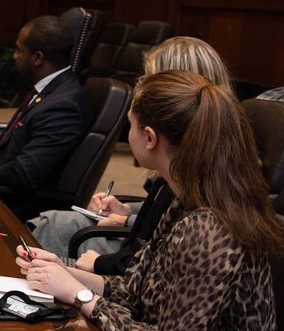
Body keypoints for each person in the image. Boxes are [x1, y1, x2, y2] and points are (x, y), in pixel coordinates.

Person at [20, 70, 281, 331]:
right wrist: (63, 271)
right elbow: (138, 292)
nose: (127, 133)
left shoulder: (209, 227)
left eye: (130, 125)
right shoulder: (184, 197)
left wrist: (78, 296)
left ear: (150, 138)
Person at [28, 37, 233, 271]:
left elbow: (160, 252)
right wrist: (127, 211)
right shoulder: (188, 157)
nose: (140, 84)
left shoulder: (203, 208)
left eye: (148, 77)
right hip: (137, 260)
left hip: (135, 268)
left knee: (59, 234)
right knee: (54, 224)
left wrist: (85, 286)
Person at [0, 15, 91, 219]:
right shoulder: (49, 91)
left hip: (12, 204)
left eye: (18, 50)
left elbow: (24, 172)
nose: (14, 56)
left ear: (38, 58)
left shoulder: (63, 106)